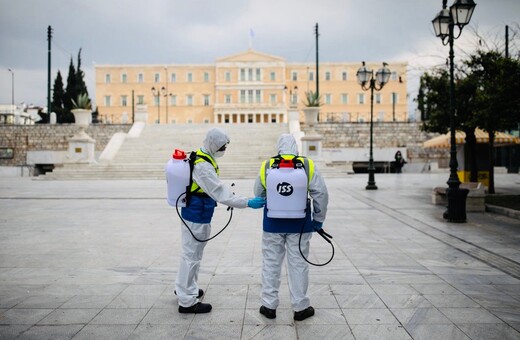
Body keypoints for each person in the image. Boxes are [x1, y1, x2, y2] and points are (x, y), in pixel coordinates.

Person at [175, 127, 265, 314]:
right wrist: (247, 202)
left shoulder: (203, 156)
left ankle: (186, 288)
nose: (224, 150)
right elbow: (219, 193)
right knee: (191, 256)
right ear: (214, 144)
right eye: (222, 146)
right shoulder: (203, 166)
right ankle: (186, 301)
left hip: (198, 212)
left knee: (192, 254)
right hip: (196, 214)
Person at [253, 133, 329, 321]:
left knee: (271, 263)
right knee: (298, 264)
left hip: (272, 224)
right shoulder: (307, 165)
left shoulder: (268, 165)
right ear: (295, 147)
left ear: (278, 147)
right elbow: (321, 194)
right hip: (300, 224)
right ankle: (301, 307)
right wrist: (318, 220)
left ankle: (269, 305)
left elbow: (258, 192)